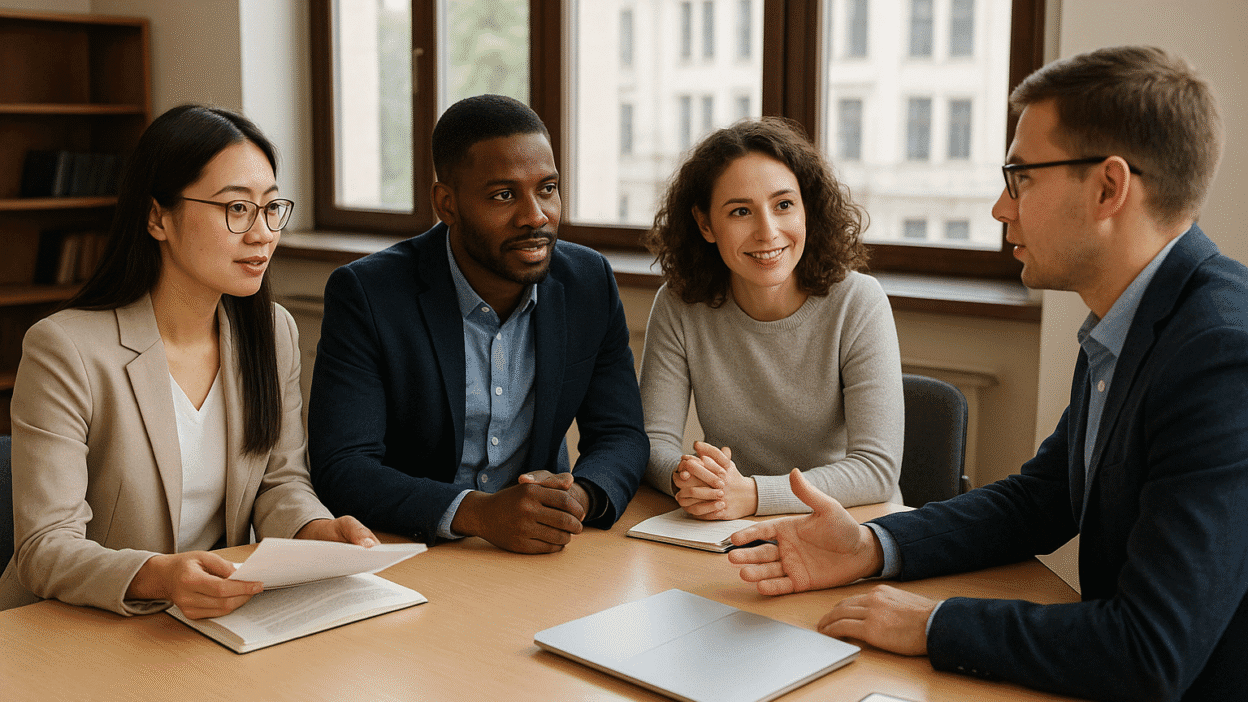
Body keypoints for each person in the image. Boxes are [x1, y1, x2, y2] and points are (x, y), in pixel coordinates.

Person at [728, 46, 1247, 701]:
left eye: (1021, 176)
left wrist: (939, 623)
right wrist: (870, 545)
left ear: (1109, 187)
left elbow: (1149, 649)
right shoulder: (1136, 321)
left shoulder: (1222, 354)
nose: (1001, 209)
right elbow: (1042, 500)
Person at [0, 105, 376, 619]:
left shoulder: (272, 332)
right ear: (158, 217)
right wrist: (158, 575)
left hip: (207, 620)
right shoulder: (64, 349)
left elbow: (279, 483)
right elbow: (45, 549)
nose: (263, 233)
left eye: (270, 208)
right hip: (75, 625)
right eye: (236, 209)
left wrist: (316, 531)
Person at [308, 94, 648, 554]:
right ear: (447, 203)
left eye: (547, 189)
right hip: (406, 548)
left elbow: (621, 434)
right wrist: (478, 513)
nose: (536, 216)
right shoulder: (368, 294)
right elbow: (343, 466)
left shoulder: (588, 282)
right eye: (503, 195)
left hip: (535, 554)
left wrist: (577, 498)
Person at [639, 117, 903, 520]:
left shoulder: (859, 302)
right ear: (706, 224)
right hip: (727, 528)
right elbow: (651, 442)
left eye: (783, 205)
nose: (768, 231)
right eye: (741, 211)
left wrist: (754, 495)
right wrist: (688, 477)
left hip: (847, 526)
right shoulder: (679, 306)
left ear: (806, 210)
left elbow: (876, 471)